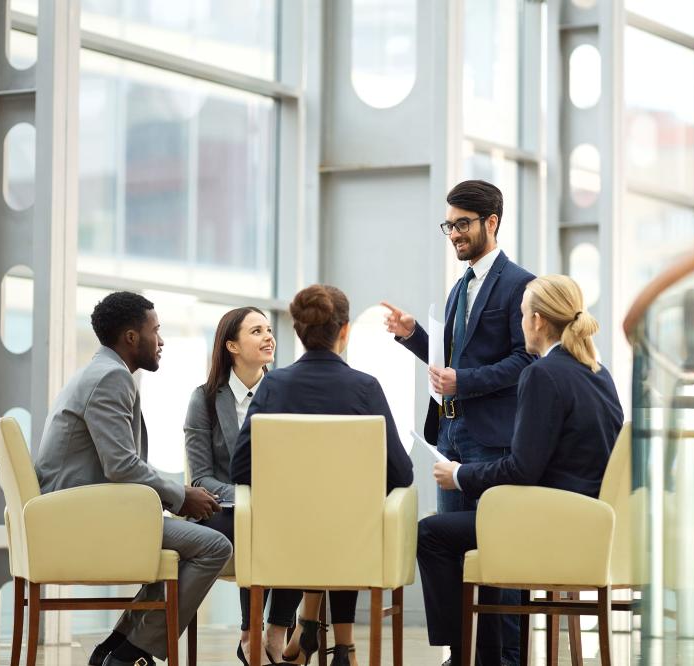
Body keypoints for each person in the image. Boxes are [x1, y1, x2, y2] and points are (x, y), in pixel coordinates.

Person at [415, 275, 624, 665]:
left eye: (524, 314)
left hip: (546, 524)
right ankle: (487, 657)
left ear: (538, 321)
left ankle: (461, 655)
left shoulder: (542, 375)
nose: (522, 321)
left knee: (431, 535)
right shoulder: (600, 374)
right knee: (483, 533)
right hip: (589, 527)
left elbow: (522, 469)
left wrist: (459, 474)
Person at [382, 179, 534, 664]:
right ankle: (461, 652)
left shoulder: (519, 285)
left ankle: (504, 656)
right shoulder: (459, 288)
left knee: (500, 552)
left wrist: (463, 382)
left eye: (462, 224)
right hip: (451, 438)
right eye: (449, 225)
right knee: (453, 551)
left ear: (491, 222)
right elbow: (451, 358)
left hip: (493, 443)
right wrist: (413, 337)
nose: (453, 234)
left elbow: (525, 361)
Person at [35, 291, 231, 666]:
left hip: (81, 511)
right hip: (81, 518)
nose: (161, 341)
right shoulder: (111, 378)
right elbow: (121, 466)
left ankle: (115, 650)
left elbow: (119, 465)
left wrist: (178, 496)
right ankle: (130, 655)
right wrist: (181, 496)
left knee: (183, 546)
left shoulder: (100, 372)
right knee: (214, 547)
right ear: (130, 337)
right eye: (155, 331)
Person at [232, 284, 414, 666]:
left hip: (283, 544)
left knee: (318, 517)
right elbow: (402, 473)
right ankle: (342, 648)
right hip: (352, 546)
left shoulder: (273, 387)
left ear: (298, 331)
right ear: (343, 331)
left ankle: (310, 628)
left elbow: (240, 468)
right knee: (348, 515)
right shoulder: (365, 389)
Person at [183, 306, 302, 665]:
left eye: (269, 329)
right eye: (256, 331)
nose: (268, 336)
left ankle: (276, 633)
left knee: (294, 525)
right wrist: (249, 499)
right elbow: (200, 477)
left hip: (281, 511)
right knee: (249, 522)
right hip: (225, 510)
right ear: (232, 346)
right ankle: (250, 634)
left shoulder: (288, 394)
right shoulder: (204, 399)